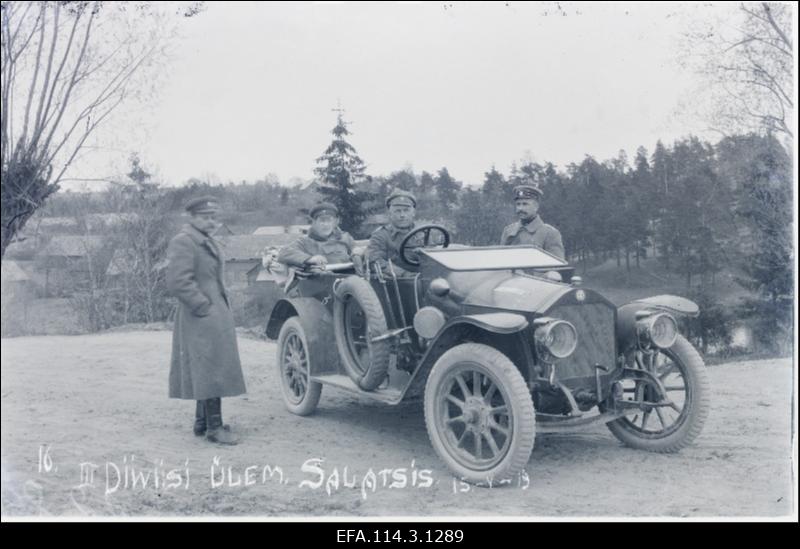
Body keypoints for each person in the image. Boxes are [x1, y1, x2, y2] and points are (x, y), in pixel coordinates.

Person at [166, 195, 246, 445]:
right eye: (205, 217)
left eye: (213, 218)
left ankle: (202, 423)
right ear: (192, 218)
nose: (211, 222)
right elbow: (178, 281)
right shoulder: (184, 242)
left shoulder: (203, 240)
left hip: (212, 313)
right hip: (201, 315)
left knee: (208, 366)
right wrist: (202, 306)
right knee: (212, 368)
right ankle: (215, 427)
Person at [277, 202, 355, 269]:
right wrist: (310, 259)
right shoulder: (305, 241)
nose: (326, 224)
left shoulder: (345, 238)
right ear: (314, 222)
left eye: (329, 220)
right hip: (321, 282)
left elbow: (357, 251)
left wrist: (358, 253)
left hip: (348, 279)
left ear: (335, 222)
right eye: (322, 220)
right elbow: (283, 253)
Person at [500, 183, 565, 259]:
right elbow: (502, 260)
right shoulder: (508, 231)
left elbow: (557, 267)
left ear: (536, 207)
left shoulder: (550, 233)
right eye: (518, 204)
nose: (520, 208)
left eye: (525, 204)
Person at [366, 188, 419, 275]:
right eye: (397, 211)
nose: (402, 215)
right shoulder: (381, 235)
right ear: (389, 214)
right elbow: (375, 261)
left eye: (406, 210)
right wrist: (403, 274)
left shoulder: (425, 233)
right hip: (398, 283)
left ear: (413, 212)